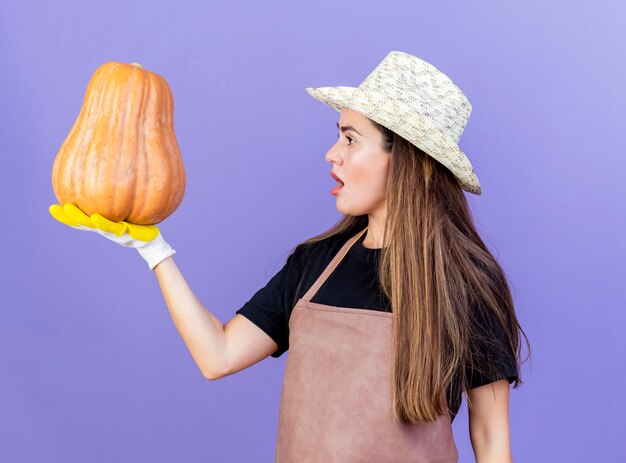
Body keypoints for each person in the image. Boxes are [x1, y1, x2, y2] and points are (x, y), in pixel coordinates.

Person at [50, 50, 530, 462]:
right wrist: (155, 250)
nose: (331, 153)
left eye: (349, 138)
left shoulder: (468, 284)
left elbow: (490, 441)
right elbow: (217, 356)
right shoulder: (314, 264)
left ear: (402, 157)